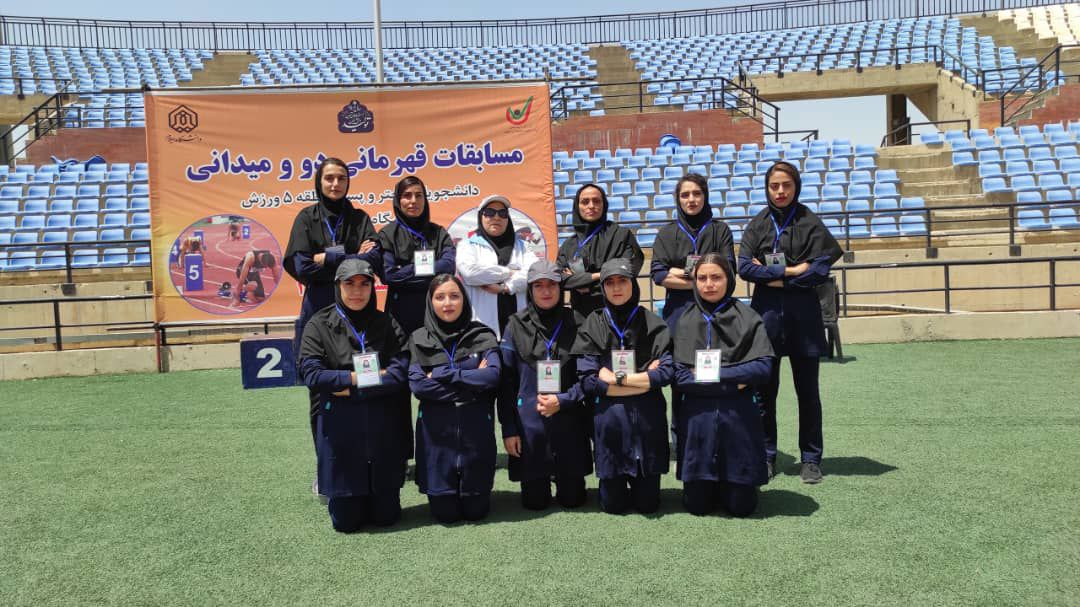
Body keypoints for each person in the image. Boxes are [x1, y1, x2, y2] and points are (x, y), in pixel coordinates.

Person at [737, 161, 844, 484]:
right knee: (764, 393)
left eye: (786, 185)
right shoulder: (758, 224)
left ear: (796, 187)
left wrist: (774, 277)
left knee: (808, 394)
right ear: (767, 189)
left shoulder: (809, 222)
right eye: (774, 186)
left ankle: (811, 459)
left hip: (804, 320)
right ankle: (766, 455)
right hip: (766, 320)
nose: (780, 191)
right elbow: (744, 268)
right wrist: (792, 271)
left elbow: (820, 269)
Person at [283, 157, 381, 494]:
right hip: (319, 316)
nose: (335, 184)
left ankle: (369, 464)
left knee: (367, 388)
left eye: (341, 178)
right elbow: (301, 267)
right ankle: (325, 469)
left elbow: (373, 260)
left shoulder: (359, 218)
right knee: (322, 397)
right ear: (319, 182)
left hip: (360, 317)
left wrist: (325, 257)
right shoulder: (306, 218)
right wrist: (351, 256)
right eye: (329, 178)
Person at [298, 259, 411, 532]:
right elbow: (312, 374)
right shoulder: (319, 324)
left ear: (373, 287)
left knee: (386, 517)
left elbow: (399, 373)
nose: (357, 291)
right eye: (349, 284)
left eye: (364, 284)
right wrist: (356, 377)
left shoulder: (386, 323)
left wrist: (346, 388)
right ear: (338, 286)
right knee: (346, 523)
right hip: (341, 427)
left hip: (381, 424)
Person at [672, 252, 775, 517]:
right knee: (697, 507)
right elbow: (681, 378)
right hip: (699, 419)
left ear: (728, 279)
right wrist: (735, 381)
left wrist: (713, 373)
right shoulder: (685, 319)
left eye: (716, 277)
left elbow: (763, 368)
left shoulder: (747, 316)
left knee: (742, 508)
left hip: (737, 417)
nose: (709, 284)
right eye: (702, 278)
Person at [573, 258, 674, 515]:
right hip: (611, 423)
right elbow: (588, 379)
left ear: (633, 284)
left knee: (648, 505)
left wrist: (615, 379)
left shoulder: (652, 322)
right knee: (613, 506)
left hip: (647, 421)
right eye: (610, 283)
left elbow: (666, 373)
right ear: (603, 288)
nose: (616, 288)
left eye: (622, 281)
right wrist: (645, 380)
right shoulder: (593, 323)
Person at [408, 274, 501, 523]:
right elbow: (419, 385)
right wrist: (471, 384)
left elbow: (492, 376)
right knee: (445, 515)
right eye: (440, 297)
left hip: (476, 435)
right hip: (436, 438)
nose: (447, 303)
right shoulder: (419, 338)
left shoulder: (482, 334)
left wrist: (442, 374)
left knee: (476, 512)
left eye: (454, 296)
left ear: (464, 300)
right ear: (431, 302)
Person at [498, 260, 591, 510]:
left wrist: (563, 400)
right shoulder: (515, 325)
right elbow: (506, 384)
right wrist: (509, 429)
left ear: (561, 288)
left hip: (569, 419)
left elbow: (588, 377)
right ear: (530, 290)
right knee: (535, 503)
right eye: (538, 286)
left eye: (552, 285)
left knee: (573, 500)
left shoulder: (577, 322)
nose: (546, 291)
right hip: (529, 423)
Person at [650, 173, 735, 332]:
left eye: (697, 193)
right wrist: (706, 282)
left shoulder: (721, 230)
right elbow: (659, 275)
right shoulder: (666, 233)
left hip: (716, 313)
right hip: (678, 314)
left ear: (705, 196)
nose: (691, 200)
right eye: (685, 195)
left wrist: (677, 272)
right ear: (678, 199)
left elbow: (728, 271)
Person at [378, 176, 456, 335]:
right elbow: (389, 275)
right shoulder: (387, 235)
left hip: (437, 313)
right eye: (407, 196)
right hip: (400, 317)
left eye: (419, 195)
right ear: (398, 200)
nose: (413, 201)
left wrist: (406, 269)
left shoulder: (438, 233)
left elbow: (449, 266)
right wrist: (432, 270)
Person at [456, 195, 539, 337]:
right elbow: (470, 273)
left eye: (502, 213)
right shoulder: (467, 245)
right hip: (482, 329)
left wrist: (507, 287)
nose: (496, 217)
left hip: (520, 327)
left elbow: (534, 273)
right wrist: (509, 272)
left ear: (508, 218)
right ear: (481, 217)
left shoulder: (523, 246)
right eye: (489, 212)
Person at [556, 183, 644, 316]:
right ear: (577, 207)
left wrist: (583, 284)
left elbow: (627, 271)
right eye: (585, 202)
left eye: (596, 201)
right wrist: (598, 276)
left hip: (620, 314)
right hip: (582, 317)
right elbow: (559, 278)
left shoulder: (620, 235)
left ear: (604, 205)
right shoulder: (569, 245)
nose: (591, 206)